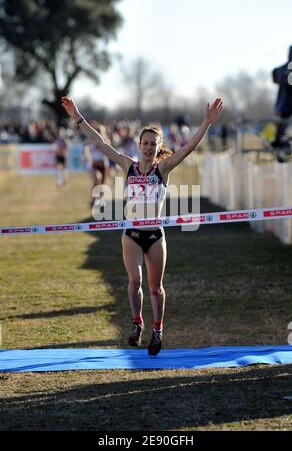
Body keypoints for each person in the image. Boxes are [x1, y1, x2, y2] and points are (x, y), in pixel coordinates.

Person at [61, 96, 223, 355]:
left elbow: (189, 147)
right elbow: (101, 144)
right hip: (132, 235)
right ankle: (137, 323)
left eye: (152, 144)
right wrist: (78, 117)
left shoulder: (164, 169)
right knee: (134, 280)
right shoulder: (128, 166)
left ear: (158, 147)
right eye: (145, 143)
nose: (148, 148)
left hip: (156, 236)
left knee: (155, 288)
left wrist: (206, 122)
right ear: (139, 144)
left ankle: (157, 330)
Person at [272, 45, 292, 148]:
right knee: (281, 129)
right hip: (285, 105)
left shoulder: (282, 69)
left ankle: (279, 141)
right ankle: (278, 142)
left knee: (282, 129)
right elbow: (275, 75)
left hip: (284, 106)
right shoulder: (283, 69)